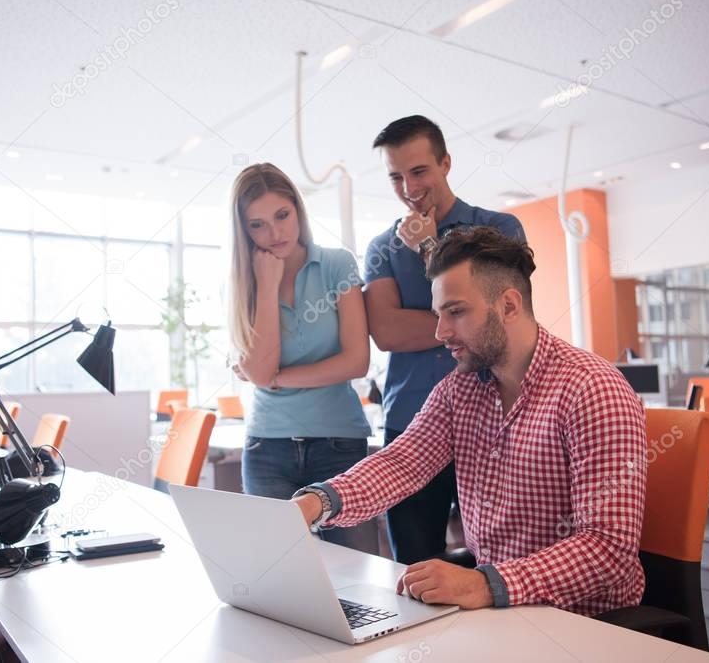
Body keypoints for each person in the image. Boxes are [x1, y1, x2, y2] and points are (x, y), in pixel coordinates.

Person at [293, 226, 647, 615]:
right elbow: (401, 463)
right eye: (438, 315)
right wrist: (317, 503)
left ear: (509, 306)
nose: (440, 332)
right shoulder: (459, 390)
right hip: (500, 612)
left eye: (456, 312)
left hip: (584, 623)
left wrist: (485, 583)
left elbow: (608, 549)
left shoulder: (592, 389)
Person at [363, 115, 526, 564]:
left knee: (499, 560)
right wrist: (464, 315)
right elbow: (387, 333)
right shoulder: (380, 248)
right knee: (416, 568)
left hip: (491, 420)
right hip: (410, 421)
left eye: (419, 172)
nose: (409, 187)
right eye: (396, 177)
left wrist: (430, 250)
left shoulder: (499, 231)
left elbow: (502, 320)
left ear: (446, 164)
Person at [228, 162, 377, 552]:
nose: (275, 233)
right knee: (275, 575)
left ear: (298, 208)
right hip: (267, 446)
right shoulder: (245, 281)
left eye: (282, 215)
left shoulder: (336, 264)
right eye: (258, 224)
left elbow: (356, 361)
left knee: (358, 572)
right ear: (243, 229)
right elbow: (260, 370)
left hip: (338, 443)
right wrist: (267, 285)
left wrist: (278, 378)